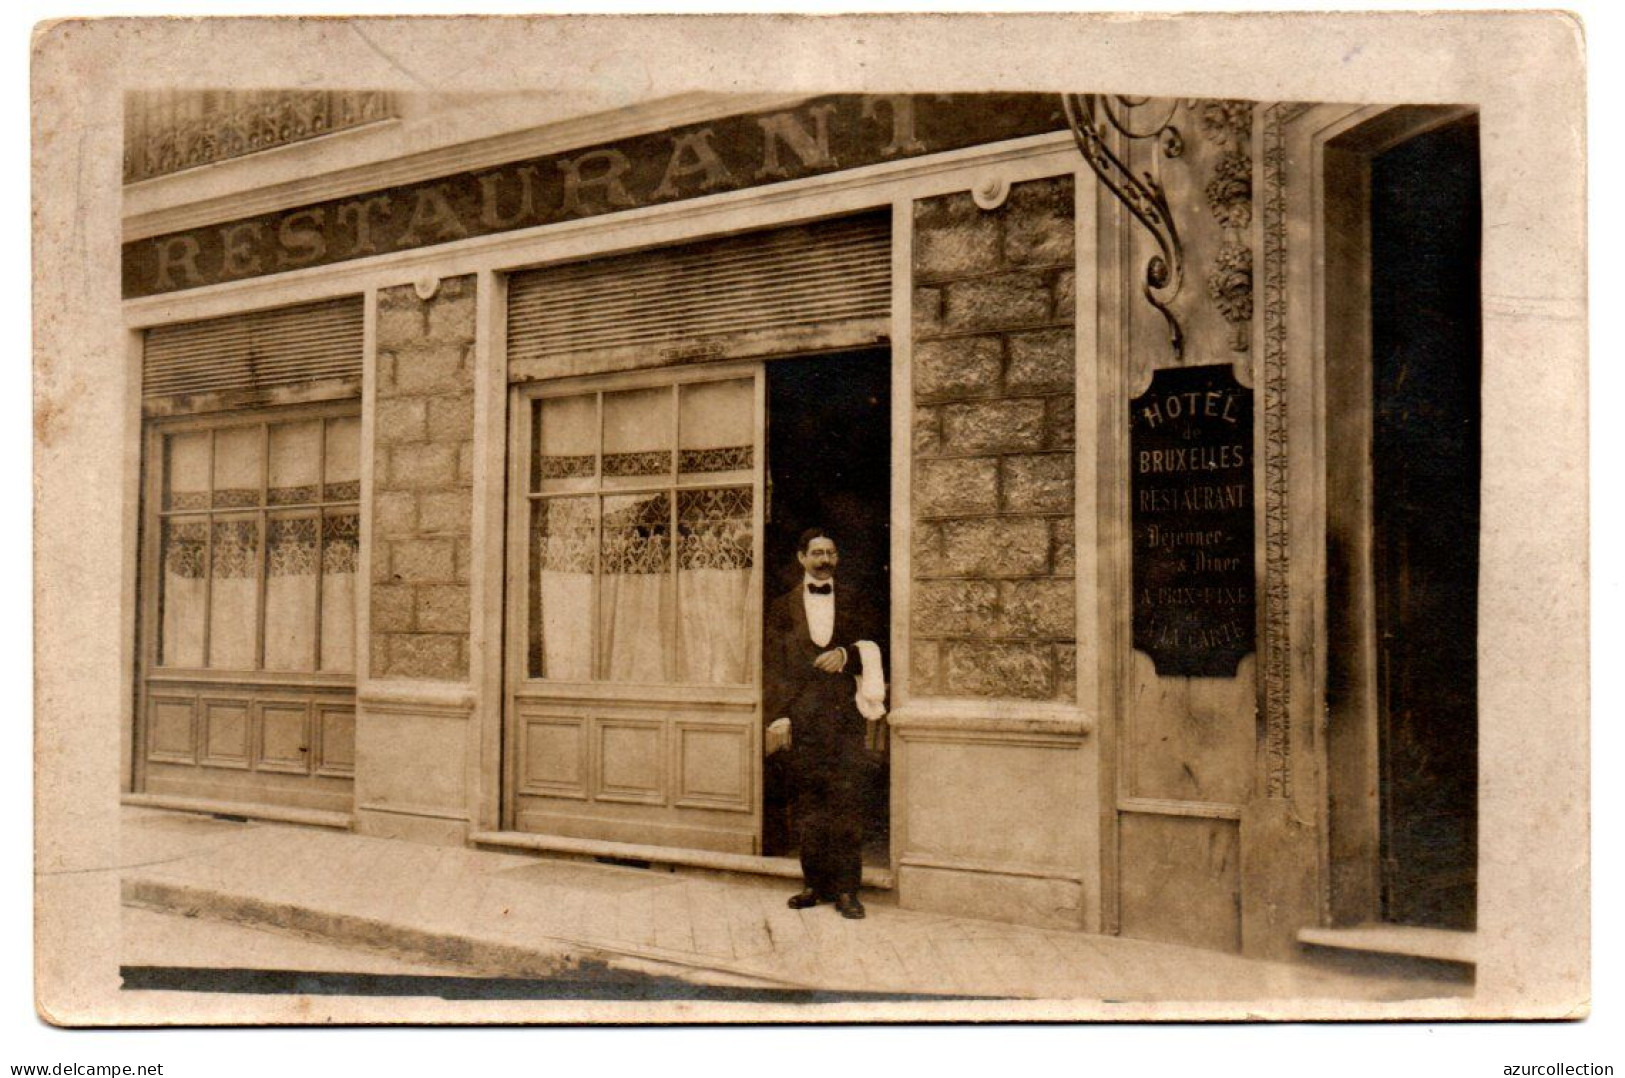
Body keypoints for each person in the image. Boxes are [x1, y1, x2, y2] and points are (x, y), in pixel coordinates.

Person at [764, 527, 883, 919]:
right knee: (810, 805)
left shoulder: (855, 600)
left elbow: (878, 642)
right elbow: (774, 667)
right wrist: (779, 715)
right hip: (802, 717)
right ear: (801, 558)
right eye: (816, 553)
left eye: (831, 552)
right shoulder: (783, 607)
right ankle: (814, 884)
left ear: (838, 558)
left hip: (844, 717)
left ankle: (848, 891)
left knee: (845, 803)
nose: (824, 560)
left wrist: (848, 655)